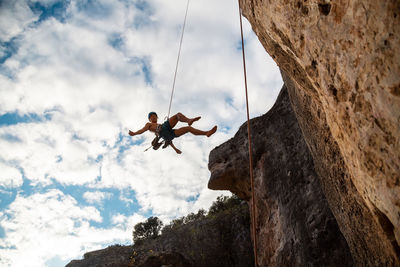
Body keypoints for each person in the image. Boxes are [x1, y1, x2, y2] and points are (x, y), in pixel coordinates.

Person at [129, 112, 217, 154]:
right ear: (149, 119)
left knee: (187, 128)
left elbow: (168, 140)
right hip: (163, 130)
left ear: (157, 117)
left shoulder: (159, 124)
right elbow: (142, 130)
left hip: (169, 133)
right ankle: (189, 120)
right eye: (151, 117)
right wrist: (135, 133)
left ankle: (206, 133)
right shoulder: (149, 124)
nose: (153, 117)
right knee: (177, 115)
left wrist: (175, 149)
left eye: (155, 116)